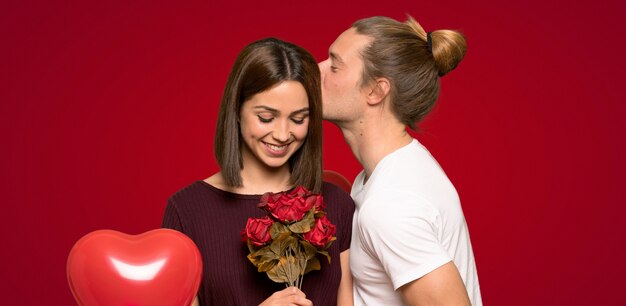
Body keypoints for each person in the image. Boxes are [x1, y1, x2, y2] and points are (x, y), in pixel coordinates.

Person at [162, 37, 355, 306]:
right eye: (266, 118)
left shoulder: (338, 205)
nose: (282, 134)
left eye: (298, 119)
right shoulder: (187, 210)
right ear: (237, 110)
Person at [318, 16, 482, 305]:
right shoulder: (385, 174)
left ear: (376, 91)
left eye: (334, 65)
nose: (317, 69)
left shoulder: (391, 205)